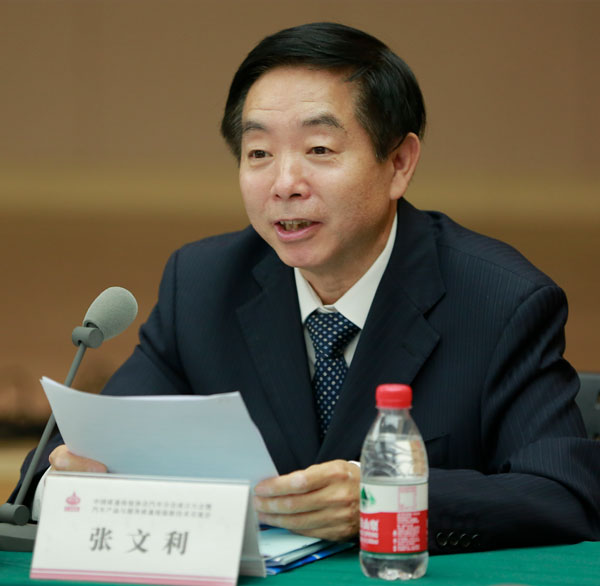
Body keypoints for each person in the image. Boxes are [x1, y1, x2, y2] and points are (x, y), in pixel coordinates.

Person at [14, 22, 599, 554]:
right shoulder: (204, 285)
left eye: (319, 150)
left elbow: (564, 496)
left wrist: (383, 497)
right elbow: (71, 460)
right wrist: (63, 479)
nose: (285, 183)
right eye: (259, 153)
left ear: (399, 163)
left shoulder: (499, 301)